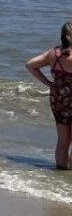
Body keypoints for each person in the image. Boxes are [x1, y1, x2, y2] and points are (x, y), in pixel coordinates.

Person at [26, 22, 72, 170]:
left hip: (58, 98)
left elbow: (30, 65)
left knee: (63, 139)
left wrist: (48, 83)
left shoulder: (54, 53)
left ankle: (61, 170)